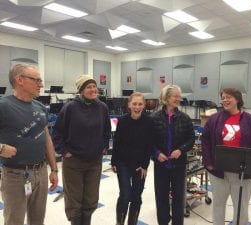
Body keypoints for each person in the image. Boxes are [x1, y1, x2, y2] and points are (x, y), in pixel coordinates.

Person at [0, 63, 58, 225]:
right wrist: (1, 148)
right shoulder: (3, 105)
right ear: (20, 80)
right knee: (14, 220)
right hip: (15, 175)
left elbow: (47, 139)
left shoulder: (40, 107)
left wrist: (53, 169)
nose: (42, 84)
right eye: (37, 80)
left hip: (40, 172)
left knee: (38, 220)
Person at [201, 88, 251, 225]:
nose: (225, 100)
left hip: (243, 173)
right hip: (219, 172)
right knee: (218, 206)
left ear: (237, 99)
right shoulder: (214, 119)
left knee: (241, 209)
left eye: (228, 97)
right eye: (223, 97)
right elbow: (205, 141)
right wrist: (208, 163)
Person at [52, 75, 111, 225]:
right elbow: (57, 133)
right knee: (74, 201)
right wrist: (64, 152)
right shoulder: (70, 107)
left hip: (94, 162)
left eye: (94, 86)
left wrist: (104, 146)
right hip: (74, 162)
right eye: (88, 87)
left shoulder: (102, 107)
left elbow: (106, 131)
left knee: (91, 200)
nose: (93, 89)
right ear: (81, 90)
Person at [151, 84, 195, 225]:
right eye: (175, 96)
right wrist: (157, 153)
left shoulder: (185, 118)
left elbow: (191, 139)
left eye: (179, 96)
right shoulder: (154, 118)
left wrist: (180, 150)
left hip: (179, 165)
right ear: (166, 97)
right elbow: (148, 141)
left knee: (178, 198)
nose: (178, 99)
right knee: (161, 197)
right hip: (161, 165)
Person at [111, 92, 153, 225]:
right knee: (125, 195)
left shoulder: (149, 122)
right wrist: (114, 161)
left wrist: (145, 165)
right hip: (123, 163)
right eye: (134, 104)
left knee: (136, 197)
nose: (137, 106)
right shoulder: (122, 121)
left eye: (140, 104)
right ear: (129, 105)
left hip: (140, 165)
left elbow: (149, 145)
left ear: (144, 105)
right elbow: (116, 142)